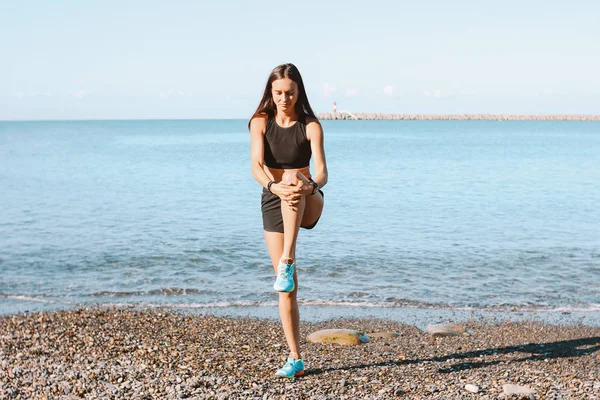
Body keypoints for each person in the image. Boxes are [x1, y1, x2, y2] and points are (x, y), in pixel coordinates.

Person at [248, 63, 328, 378]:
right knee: (287, 289)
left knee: (295, 177)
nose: (284, 99)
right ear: (270, 92)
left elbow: (321, 171)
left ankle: (288, 257)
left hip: (308, 200)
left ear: (299, 92)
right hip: (272, 198)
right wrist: (272, 186)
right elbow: (256, 166)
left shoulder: (310, 125)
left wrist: (310, 185)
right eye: (279, 93)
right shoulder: (259, 123)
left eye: (290, 93)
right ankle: (295, 357)